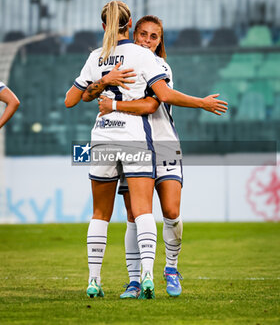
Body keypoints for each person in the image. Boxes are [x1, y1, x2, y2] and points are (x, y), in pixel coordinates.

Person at [83, 15, 228, 299]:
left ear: (160, 41)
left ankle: (171, 268)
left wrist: (112, 103)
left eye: (154, 36)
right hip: (133, 143)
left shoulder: (159, 65)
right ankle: (135, 281)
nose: (147, 40)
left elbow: (153, 102)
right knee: (135, 215)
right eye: (143, 34)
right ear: (134, 34)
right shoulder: (122, 62)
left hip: (164, 144)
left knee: (171, 211)